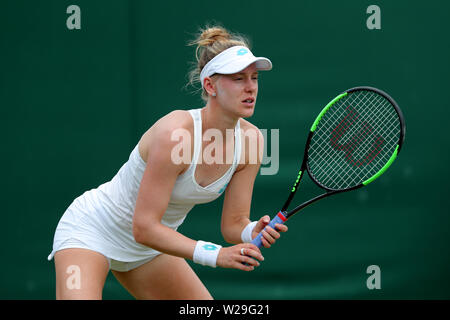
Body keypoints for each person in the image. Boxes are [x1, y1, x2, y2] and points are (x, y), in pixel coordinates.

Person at [48, 25, 288, 300]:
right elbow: (144, 227)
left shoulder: (252, 141)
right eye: (238, 79)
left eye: (254, 78)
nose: (250, 88)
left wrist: (250, 230)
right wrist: (215, 255)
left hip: (150, 250)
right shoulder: (176, 135)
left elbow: (233, 223)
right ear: (210, 85)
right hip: (93, 231)